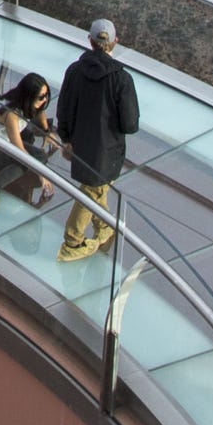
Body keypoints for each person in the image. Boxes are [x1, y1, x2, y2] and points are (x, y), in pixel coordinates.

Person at [57, 19, 140, 261]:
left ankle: (104, 227)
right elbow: (130, 124)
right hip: (106, 150)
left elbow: (64, 107)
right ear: (115, 42)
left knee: (96, 187)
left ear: (90, 41)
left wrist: (65, 137)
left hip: (78, 143)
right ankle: (72, 241)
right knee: (92, 191)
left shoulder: (74, 70)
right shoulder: (122, 79)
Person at [0, 73, 62, 212]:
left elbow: (40, 110)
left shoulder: (26, 102)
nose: (44, 100)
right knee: (23, 162)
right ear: (28, 97)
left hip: (3, 141)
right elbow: (19, 151)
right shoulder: (11, 115)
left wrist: (46, 131)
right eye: (40, 97)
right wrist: (41, 176)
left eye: (46, 96)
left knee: (41, 156)